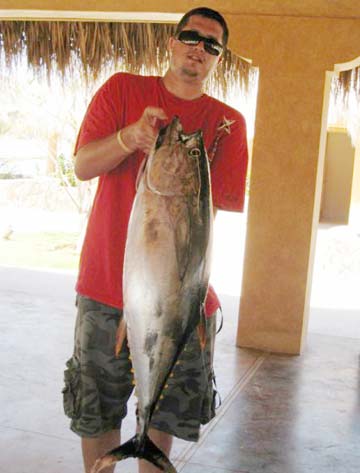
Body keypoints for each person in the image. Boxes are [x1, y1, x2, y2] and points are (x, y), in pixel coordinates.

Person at [62, 7, 248, 473]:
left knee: (161, 412)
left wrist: (180, 166)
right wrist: (129, 138)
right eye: (191, 36)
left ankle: (147, 448)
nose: (198, 49)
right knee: (95, 410)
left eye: (212, 45)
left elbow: (212, 211)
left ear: (218, 58)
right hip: (105, 288)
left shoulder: (227, 122)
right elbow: (83, 166)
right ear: (171, 41)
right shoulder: (123, 89)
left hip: (180, 300)